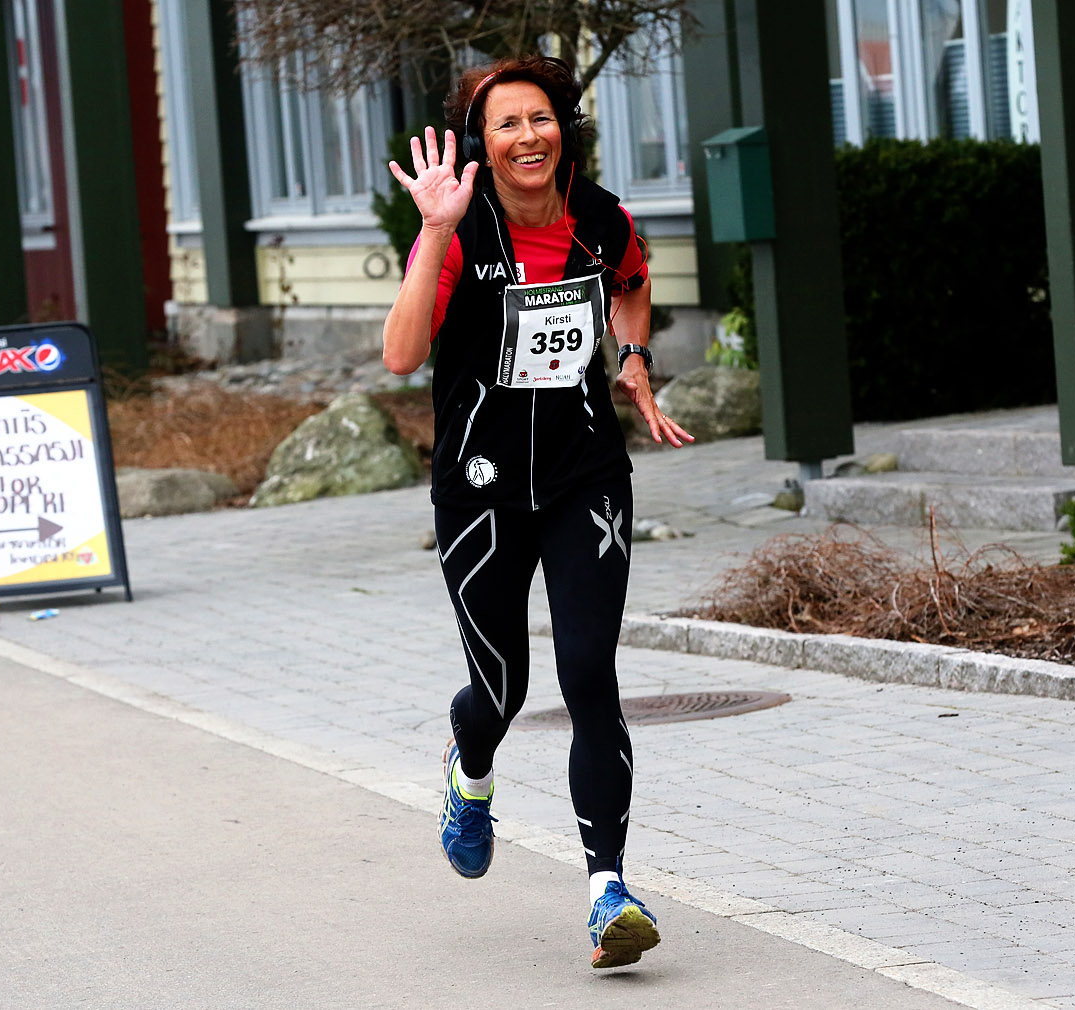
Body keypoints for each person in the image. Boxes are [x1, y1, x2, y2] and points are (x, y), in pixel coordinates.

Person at [382, 55, 693, 969]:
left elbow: (633, 281)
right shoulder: (462, 228)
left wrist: (632, 358)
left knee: (589, 673)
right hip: (479, 488)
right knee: (502, 690)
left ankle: (609, 893)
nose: (529, 136)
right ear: (482, 145)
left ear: (565, 128)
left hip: (582, 473)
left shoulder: (599, 219)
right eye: (507, 124)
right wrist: (435, 231)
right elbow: (401, 353)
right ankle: (470, 771)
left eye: (542, 118)